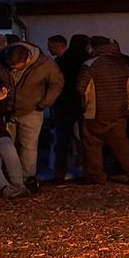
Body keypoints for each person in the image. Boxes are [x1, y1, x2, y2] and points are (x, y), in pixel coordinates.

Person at [0, 40, 64, 193]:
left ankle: (27, 179)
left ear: (27, 60)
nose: (13, 71)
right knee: (6, 147)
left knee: (28, 147)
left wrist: (44, 103)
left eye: (17, 68)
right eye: (10, 68)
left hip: (32, 110)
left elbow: (56, 84)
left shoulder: (45, 64)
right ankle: (7, 180)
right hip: (6, 110)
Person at [76, 36, 129, 185]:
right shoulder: (122, 64)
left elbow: (82, 89)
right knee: (121, 143)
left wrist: (84, 107)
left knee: (92, 145)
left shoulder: (90, 64)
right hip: (119, 114)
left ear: (94, 47)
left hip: (94, 114)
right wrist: (127, 108)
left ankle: (96, 176)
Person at [49, 34, 89, 180]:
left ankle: (60, 171)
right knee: (87, 139)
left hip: (64, 104)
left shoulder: (61, 61)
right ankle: (88, 170)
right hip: (83, 104)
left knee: (63, 139)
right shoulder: (87, 61)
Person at [0, 72, 28, 198]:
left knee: (10, 152)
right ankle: (5, 188)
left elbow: (0, 113)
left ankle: (18, 184)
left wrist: (1, 99)